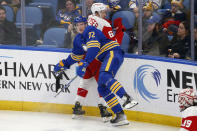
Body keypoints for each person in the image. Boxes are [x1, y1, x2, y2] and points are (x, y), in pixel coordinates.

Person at [54, 16, 138, 126]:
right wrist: (63, 64)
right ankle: (120, 115)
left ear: (86, 24)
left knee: (103, 76)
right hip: (106, 57)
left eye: (82, 24)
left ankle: (126, 98)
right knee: (102, 88)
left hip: (112, 52)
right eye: (77, 25)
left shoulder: (90, 30)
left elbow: (94, 49)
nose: (80, 27)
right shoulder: (78, 39)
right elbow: (74, 57)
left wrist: (85, 63)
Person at [71, 3, 127, 122]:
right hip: (98, 58)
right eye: (102, 12)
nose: (105, 14)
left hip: (87, 56)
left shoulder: (89, 21)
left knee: (85, 81)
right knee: (103, 84)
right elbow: (114, 42)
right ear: (96, 12)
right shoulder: (104, 23)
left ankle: (77, 105)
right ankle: (103, 109)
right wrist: (120, 31)